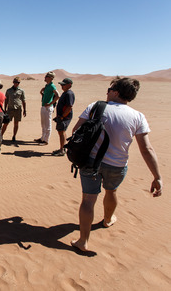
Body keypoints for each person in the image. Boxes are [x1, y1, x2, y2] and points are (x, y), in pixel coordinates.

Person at [70, 77, 163, 252]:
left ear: (116, 92)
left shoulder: (95, 107)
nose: (107, 92)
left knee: (88, 200)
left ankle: (83, 241)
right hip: (118, 165)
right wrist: (157, 176)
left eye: (109, 89)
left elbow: (76, 131)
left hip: (90, 163)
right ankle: (107, 219)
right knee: (111, 191)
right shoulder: (137, 116)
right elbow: (146, 149)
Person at [35, 71, 60, 145]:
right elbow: (46, 95)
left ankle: (46, 140)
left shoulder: (52, 86)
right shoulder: (47, 86)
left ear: (50, 78)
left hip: (48, 108)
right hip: (43, 106)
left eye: (46, 77)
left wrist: (50, 103)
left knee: (47, 124)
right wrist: (41, 93)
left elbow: (57, 95)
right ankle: (42, 138)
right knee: (43, 124)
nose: (45, 78)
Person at [52, 78, 75, 156]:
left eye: (63, 85)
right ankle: (62, 148)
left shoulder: (69, 94)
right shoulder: (65, 93)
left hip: (64, 117)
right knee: (62, 132)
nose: (62, 86)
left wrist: (62, 116)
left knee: (61, 132)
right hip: (62, 117)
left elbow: (69, 107)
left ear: (69, 85)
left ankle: (62, 150)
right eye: (61, 84)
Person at [1, 77, 27, 143]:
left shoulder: (21, 91)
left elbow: (24, 100)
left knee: (16, 123)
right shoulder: (8, 90)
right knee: (6, 123)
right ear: (13, 82)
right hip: (10, 109)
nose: (16, 84)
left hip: (18, 109)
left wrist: (25, 110)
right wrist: (5, 109)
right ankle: (1, 136)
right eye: (15, 82)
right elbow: (6, 100)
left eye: (18, 82)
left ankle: (14, 136)